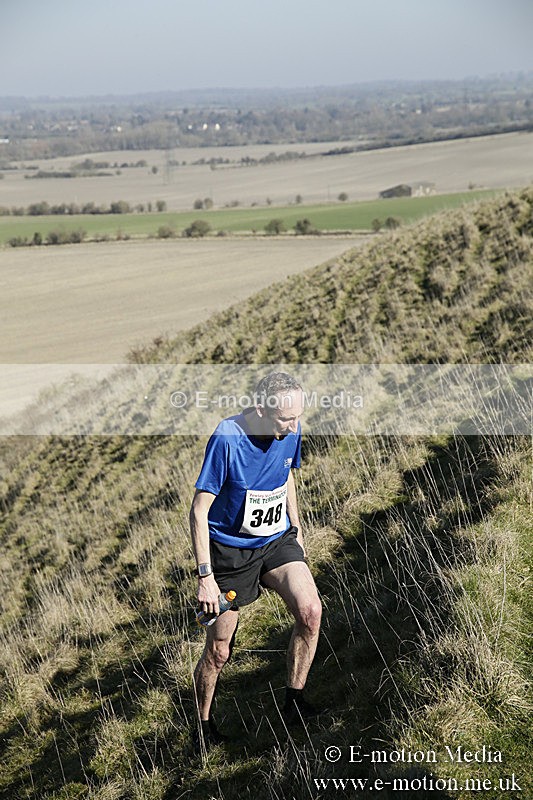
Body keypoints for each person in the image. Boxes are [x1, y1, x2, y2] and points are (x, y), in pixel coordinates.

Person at [190, 371, 322, 746]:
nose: (295, 426)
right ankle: (203, 728)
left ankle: (293, 703)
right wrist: (205, 577)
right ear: (261, 409)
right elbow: (199, 511)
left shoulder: (291, 428)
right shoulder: (228, 438)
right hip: (229, 553)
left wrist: (296, 528)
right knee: (219, 650)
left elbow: (287, 477)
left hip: (276, 541)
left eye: (298, 416)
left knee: (310, 612)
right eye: (286, 419)